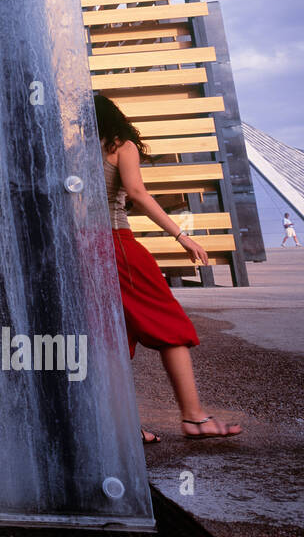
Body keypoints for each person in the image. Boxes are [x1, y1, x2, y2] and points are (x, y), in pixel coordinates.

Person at [95, 94, 242, 444]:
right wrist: (182, 236)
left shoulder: (72, 151)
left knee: (108, 337)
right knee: (169, 325)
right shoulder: (120, 145)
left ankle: (123, 426)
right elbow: (137, 193)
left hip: (81, 248)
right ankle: (194, 417)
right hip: (117, 245)